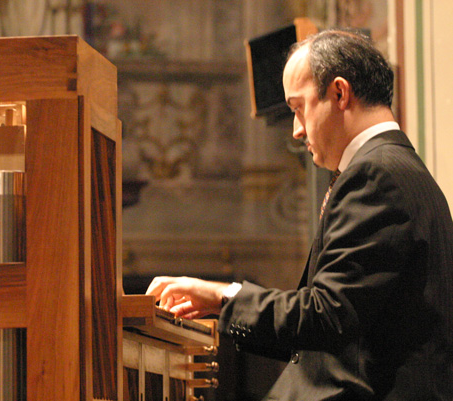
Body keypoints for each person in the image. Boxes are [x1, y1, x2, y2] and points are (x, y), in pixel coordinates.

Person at [146, 30, 453, 400]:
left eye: (298, 107)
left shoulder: (376, 175)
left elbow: (327, 316)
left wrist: (222, 295)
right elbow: (331, 327)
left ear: (339, 93)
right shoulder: (395, 168)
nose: (296, 130)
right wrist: (222, 305)